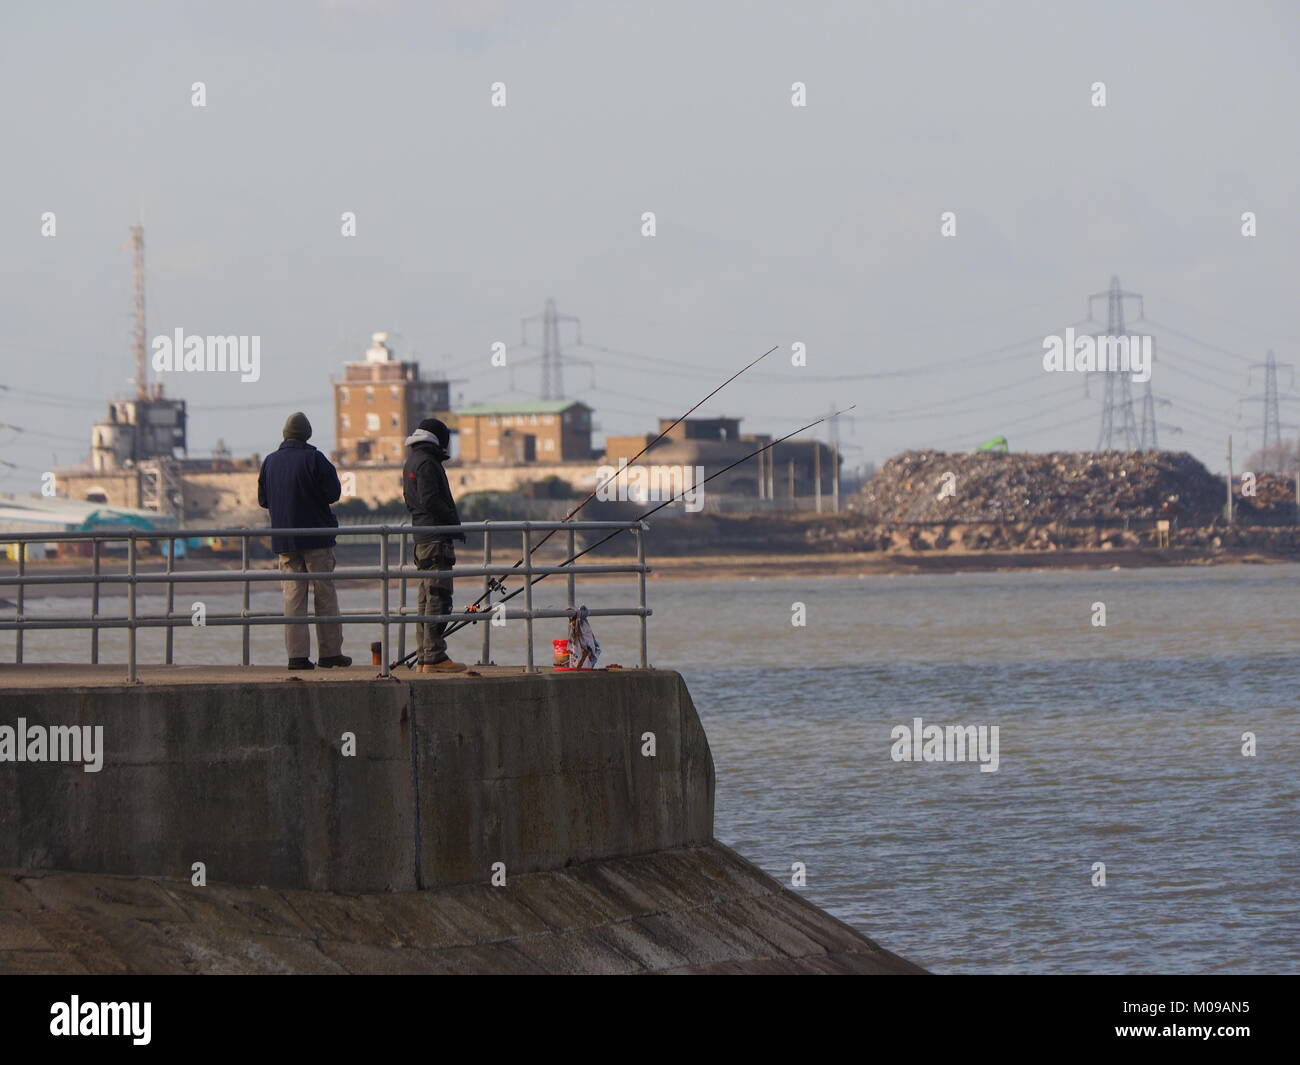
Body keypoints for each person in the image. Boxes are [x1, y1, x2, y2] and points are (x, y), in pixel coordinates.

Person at [257, 411, 352, 670]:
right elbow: (333, 494)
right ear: (307, 434)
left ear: (285, 434)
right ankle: (330, 653)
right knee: (324, 594)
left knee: (293, 598)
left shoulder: (270, 462)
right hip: (317, 537)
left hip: (284, 540)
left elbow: (263, 500)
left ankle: (297, 656)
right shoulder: (315, 458)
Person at [403, 417, 467, 673]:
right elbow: (430, 499)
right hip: (436, 537)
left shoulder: (413, 460)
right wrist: (452, 521)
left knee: (426, 599)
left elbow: (412, 501)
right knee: (439, 597)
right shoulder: (428, 463)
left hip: (422, 537)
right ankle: (434, 657)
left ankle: (424, 656)